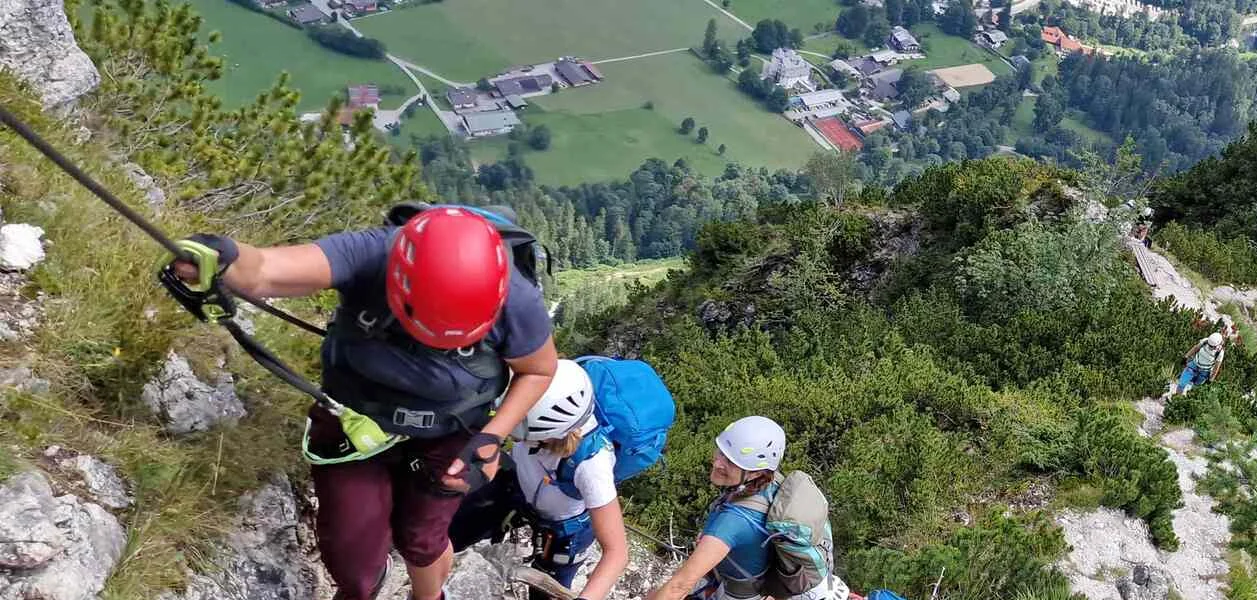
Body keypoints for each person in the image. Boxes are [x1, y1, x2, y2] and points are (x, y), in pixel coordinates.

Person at [171, 208, 557, 600]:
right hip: (354, 418)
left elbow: (539, 370)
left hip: (452, 430)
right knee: (352, 564)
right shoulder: (373, 255)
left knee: (422, 538)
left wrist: (492, 437)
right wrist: (225, 257)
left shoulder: (516, 298)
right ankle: (369, 580)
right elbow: (267, 269)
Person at [448, 359, 630, 600]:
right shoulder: (536, 397)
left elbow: (617, 553)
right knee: (454, 529)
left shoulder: (592, 465)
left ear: (550, 434)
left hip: (563, 528)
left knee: (545, 591)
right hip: (518, 485)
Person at [646, 417, 846, 600]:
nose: (717, 463)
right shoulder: (775, 485)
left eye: (731, 462)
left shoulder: (731, 523)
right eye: (721, 453)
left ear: (756, 472)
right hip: (759, 584)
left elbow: (678, 587)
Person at [1166, 325, 1228, 399]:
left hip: (1204, 372)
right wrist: (1186, 357)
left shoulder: (1220, 352)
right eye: (1209, 345)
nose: (1210, 347)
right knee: (1182, 384)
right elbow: (1196, 348)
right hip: (1194, 365)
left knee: (1195, 390)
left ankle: (1188, 403)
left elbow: (1216, 367)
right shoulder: (1205, 341)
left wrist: (1211, 379)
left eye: (1212, 346)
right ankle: (1177, 399)